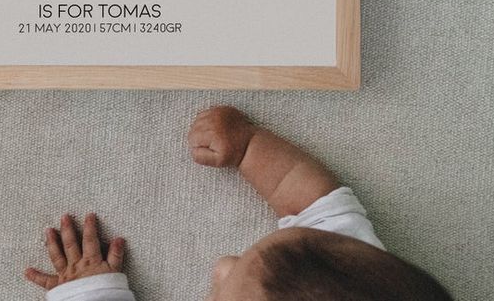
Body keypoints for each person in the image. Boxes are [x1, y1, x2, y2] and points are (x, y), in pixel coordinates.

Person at [25, 106, 453, 300]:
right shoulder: (349, 269)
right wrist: (248, 146)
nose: (222, 265)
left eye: (221, 291)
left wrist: (87, 289)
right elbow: (307, 193)